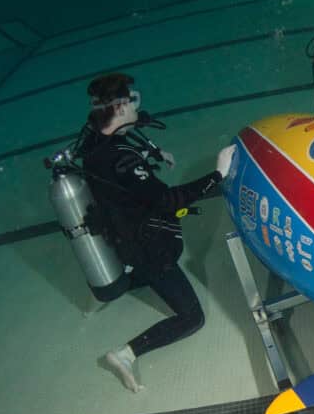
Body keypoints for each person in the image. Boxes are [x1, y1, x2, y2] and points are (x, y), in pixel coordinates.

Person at [76, 72, 235, 393]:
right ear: (119, 107)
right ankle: (125, 354)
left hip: (119, 235)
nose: (138, 105)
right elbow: (166, 199)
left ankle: (108, 288)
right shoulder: (121, 159)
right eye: (132, 100)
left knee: (141, 272)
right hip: (148, 248)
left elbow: (122, 145)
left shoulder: (93, 140)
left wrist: (151, 154)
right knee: (192, 318)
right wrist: (217, 173)